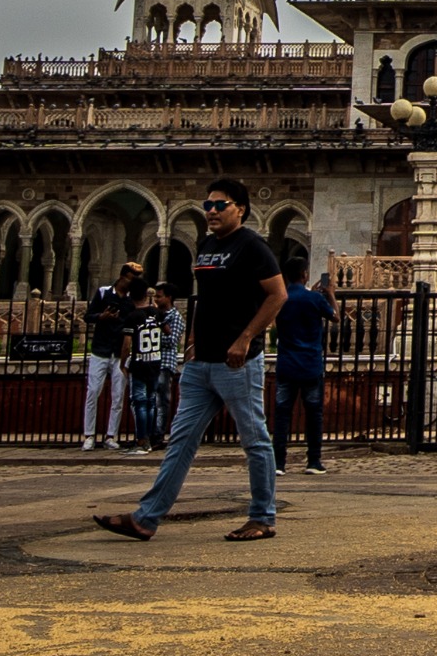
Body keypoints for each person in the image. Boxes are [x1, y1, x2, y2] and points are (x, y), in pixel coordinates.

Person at [94, 180, 285, 542]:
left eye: (220, 205)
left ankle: (263, 516)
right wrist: (193, 341)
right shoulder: (207, 245)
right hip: (202, 363)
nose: (211, 211)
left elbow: (277, 295)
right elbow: (205, 298)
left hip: (237, 363)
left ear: (240, 209)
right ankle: (146, 518)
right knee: (180, 440)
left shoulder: (253, 246)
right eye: (207, 205)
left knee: (255, 440)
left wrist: (246, 339)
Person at [271, 252, 333, 475]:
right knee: (314, 414)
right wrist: (330, 294)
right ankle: (313, 461)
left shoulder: (281, 297)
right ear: (305, 274)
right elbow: (334, 316)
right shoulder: (315, 299)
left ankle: (279, 463)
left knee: (282, 415)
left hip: (286, 364)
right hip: (310, 364)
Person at [81, 263, 140, 450]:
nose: (132, 283)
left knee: (118, 396)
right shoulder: (103, 292)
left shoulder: (131, 301)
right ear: (122, 276)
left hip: (119, 352)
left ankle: (110, 435)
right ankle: (89, 435)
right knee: (93, 392)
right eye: (131, 278)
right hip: (100, 349)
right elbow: (88, 316)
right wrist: (101, 316)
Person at [124, 287, 173, 451]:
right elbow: (168, 332)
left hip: (139, 363)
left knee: (140, 403)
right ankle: (151, 438)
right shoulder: (157, 313)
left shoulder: (132, 317)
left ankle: (142, 439)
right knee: (151, 402)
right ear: (146, 296)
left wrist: (123, 362)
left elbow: (126, 344)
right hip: (155, 362)